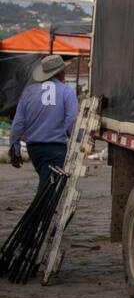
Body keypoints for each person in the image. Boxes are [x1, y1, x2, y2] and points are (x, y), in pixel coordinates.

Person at [8, 54, 78, 198]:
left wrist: (15, 148)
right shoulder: (67, 92)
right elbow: (72, 120)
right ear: (60, 73)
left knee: (47, 182)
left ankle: (42, 217)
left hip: (34, 149)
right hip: (56, 148)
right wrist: (74, 140)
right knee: (48, 190)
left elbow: (18, 123)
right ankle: (36, 218)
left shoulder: (28, 92)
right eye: (63, 72)